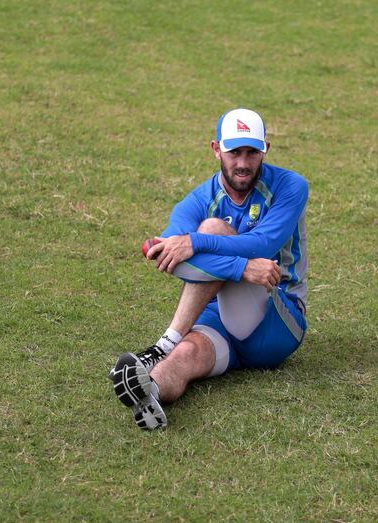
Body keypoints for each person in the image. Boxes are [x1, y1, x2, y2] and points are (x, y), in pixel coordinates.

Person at [109, 108, 309, 430]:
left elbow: (261, 245)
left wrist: (195, 241)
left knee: (213, 229)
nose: (243, 163)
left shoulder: (291, 186)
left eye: (252, 152)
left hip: (277, 321)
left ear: (266, 150)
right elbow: (172, 257)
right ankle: (150, 392)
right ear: (216, 149)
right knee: (185, 356)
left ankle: (163, 343)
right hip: (220, 317)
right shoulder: (196, 201)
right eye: (234, 152)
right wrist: (242, 269)